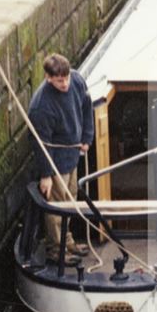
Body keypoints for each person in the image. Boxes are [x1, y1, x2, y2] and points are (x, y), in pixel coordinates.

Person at [28, 53, 94, 265]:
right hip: (55, 162)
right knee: (56, 206)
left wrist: (87, 137)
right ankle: (56, 250)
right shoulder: (41, 106)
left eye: (66, 77)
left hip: (73, 154)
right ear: (48, 78)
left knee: (71, 200)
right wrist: (46, 175)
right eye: (59, 80)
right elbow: (41, 143)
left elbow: (86, 104)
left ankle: (67, 240)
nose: (65, 83)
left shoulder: (76, 80)